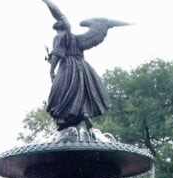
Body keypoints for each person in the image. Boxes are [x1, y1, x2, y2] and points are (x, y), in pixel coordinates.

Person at [42, 0, 128, 130]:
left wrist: (51, 70)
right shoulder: (78, 39)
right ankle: (84, 113)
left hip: (68, 67)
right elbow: (98, 32)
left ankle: (63, 119)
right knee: (79, 91)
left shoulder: (60, 36)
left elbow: (57, 53)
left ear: (59, 27)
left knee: (58, 94)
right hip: (82, 67)